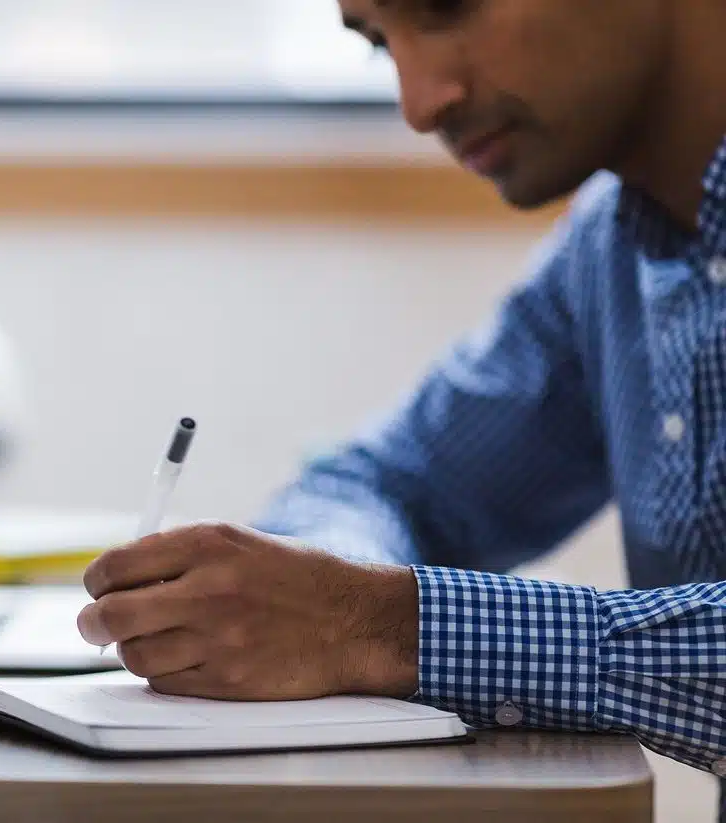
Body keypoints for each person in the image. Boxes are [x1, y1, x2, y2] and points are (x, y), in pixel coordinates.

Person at [75, 0, 726, 817]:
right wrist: (303, 602)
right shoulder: (614, 250)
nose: (420, 104)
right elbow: (389, 483)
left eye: (447, 8)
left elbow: (372, 611)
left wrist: (380, 625)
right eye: (380, 44)